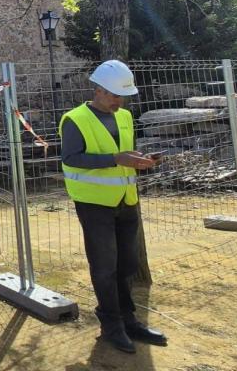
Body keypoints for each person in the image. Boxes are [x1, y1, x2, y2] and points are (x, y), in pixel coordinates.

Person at [60, 60, 167, 354]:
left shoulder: (125, 116)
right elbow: (71, 158)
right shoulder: (75, 119)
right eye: (115, 96)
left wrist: (140, 160)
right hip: (95, 205)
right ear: (98, 90)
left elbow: (122, 153)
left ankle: (128, 319)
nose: (120, 101)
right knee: (105, 267)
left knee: (128, 264)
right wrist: (117, 160)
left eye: (123, 96)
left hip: (126, 200)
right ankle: (111, 324)